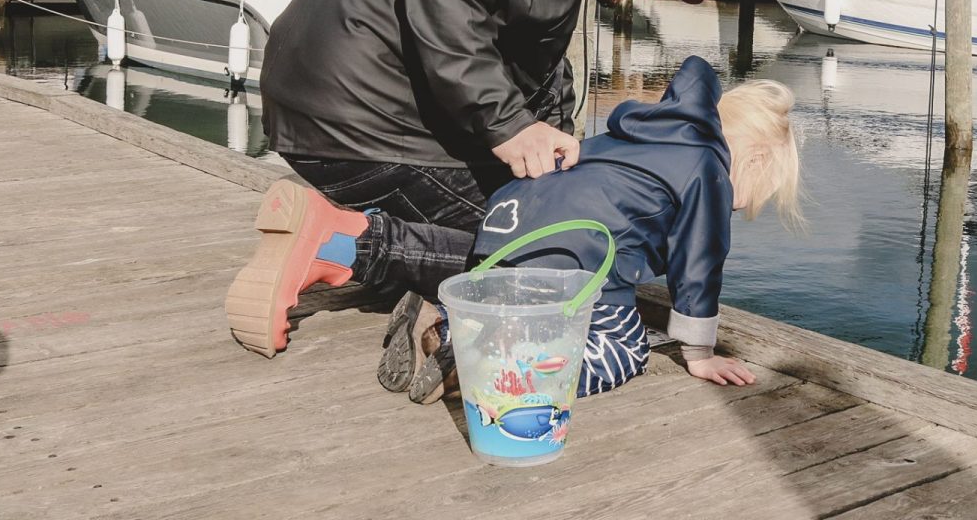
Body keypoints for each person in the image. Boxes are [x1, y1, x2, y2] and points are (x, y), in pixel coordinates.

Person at [226, 0, 711, 357]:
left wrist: (557, 154)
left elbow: (536, 66)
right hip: (355, 114)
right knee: (551, 251)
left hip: (315, 98)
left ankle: (410, 275)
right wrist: (507, 127)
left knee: (536, 209)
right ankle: (337, 244)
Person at [231, 56, 802, 404]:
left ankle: (347, 243)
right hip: (575, 258)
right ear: (749, 161)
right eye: (756, 194)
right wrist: (698, 352)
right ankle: (484, 360)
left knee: (488, 273)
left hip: (509, 223)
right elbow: (698, 266)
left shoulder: (636, 135)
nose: (739, 207)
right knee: (625, 350)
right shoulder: (707, 168)